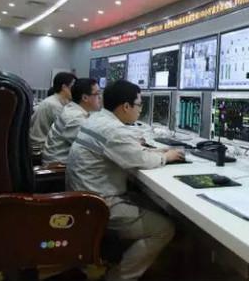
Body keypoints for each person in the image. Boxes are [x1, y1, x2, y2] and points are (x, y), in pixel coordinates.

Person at [66, 80, 183, 281]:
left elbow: (127, 150)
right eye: (139, 104)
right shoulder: (114, 130)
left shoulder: (97, 119)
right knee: (164, 229)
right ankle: (119, 277)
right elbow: (140, 160)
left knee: (156, 206)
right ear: (126, 106)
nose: (140, 109)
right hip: (100, 205)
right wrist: (166, 156)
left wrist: (154, 150)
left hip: (84, 197)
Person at [41, 78, 101, 165]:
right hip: (57, 167)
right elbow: (95, 147)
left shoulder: (73, 110)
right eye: (97, 94)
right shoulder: (74, 118)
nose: (100, 97)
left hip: (63, 162)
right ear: (85, 98)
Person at [29, 72, 76, 156]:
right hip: (41, 147)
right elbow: (69, 133)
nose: (76, 90)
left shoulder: (54, 101)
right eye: (74, 86)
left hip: (42, 144)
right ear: (64, 87)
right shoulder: (54, 105)